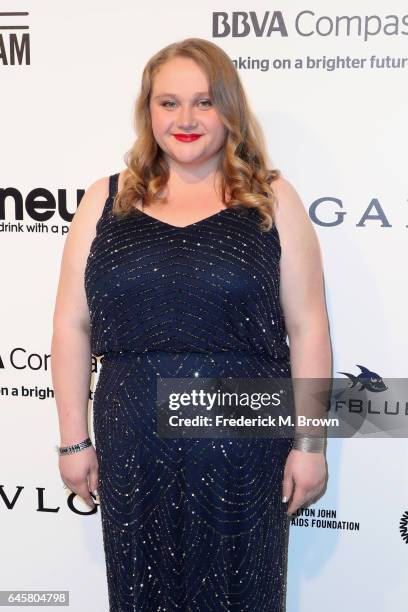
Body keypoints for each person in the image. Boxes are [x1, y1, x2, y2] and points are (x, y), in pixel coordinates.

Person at [51, 37, 331, 612]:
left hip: (243, 438)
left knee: (240, 591)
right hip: (132, 438)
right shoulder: (105, 201)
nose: (185, 119)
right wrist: (73, 438)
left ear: (229, 109)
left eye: (204, 102)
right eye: (168, 102)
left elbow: (309, 330)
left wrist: (310, 442)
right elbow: (70, 326)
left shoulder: (272, 199)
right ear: (147, 111)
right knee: (142, 590)